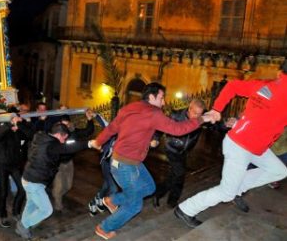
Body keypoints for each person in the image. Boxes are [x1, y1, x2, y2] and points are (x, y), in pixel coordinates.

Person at [91, 82, 214, 239]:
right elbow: (178, 129)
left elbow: (111, 128)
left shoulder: (130, 107)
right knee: (135, 205)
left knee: (149, 187)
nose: (163, 102)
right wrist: (202, 119)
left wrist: (98, 141)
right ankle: (104, 227)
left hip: (129, 161)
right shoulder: (153, 113)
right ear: (151, 97)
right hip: (124, 165)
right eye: (161, 98)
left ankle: (111, 200)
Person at [175, 60, 287, 228]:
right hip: (239, 146)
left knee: (279, 170)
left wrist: (217, 109)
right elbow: (234, 86)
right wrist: (216, 109)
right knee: (226, 192)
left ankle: (238, 188)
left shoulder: (268, 85)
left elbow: (233, 86)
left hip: (254, 146)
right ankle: (186, 209)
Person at [15, 123, 100, 240]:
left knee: (31, 204)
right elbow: (68, 148)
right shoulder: (52, 146)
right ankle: (23, 225)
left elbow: (29, 131)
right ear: (59, 134)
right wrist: (89, 143)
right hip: (34, 182)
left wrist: (19, 122)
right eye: (64, 138)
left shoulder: (40, 136)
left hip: (29, 178)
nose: (64, 141)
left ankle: (24, 226)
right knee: (46, 210)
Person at [153, 99, 206, 209]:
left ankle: (158, 194)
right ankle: (172, 200)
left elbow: (215, 124)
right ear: (189, 108)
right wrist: (156, 138)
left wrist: (225, 124)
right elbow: (161, 126)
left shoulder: (201, 118)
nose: (197, 117)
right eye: (195, 113)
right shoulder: (175, 115)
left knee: (174, 174)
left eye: (200, 114)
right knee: (180, 173)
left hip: (184, 152)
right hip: (172, 148)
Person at [0, 112, 34, 228]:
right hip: (2, 164)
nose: (16, 124)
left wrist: (23, 124)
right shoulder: (3, 128)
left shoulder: (19, 131)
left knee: (22, 189)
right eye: (14, 121)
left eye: (17, 120)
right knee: (3, 191)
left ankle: (15, 211)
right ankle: (3, 215)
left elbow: (31, 134)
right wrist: (10, 124)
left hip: (15, 165)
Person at [52, 109, 95, 212]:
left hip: (69, 162)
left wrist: (89, 119)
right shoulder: (55, 133)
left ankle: (56, 195)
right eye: (63, 125)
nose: (65, 128)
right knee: (59, 186)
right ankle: (58, 205)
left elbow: (88, 131)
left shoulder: (74, 132)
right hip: (58, 164)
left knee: (68, 186)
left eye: (67, 125)